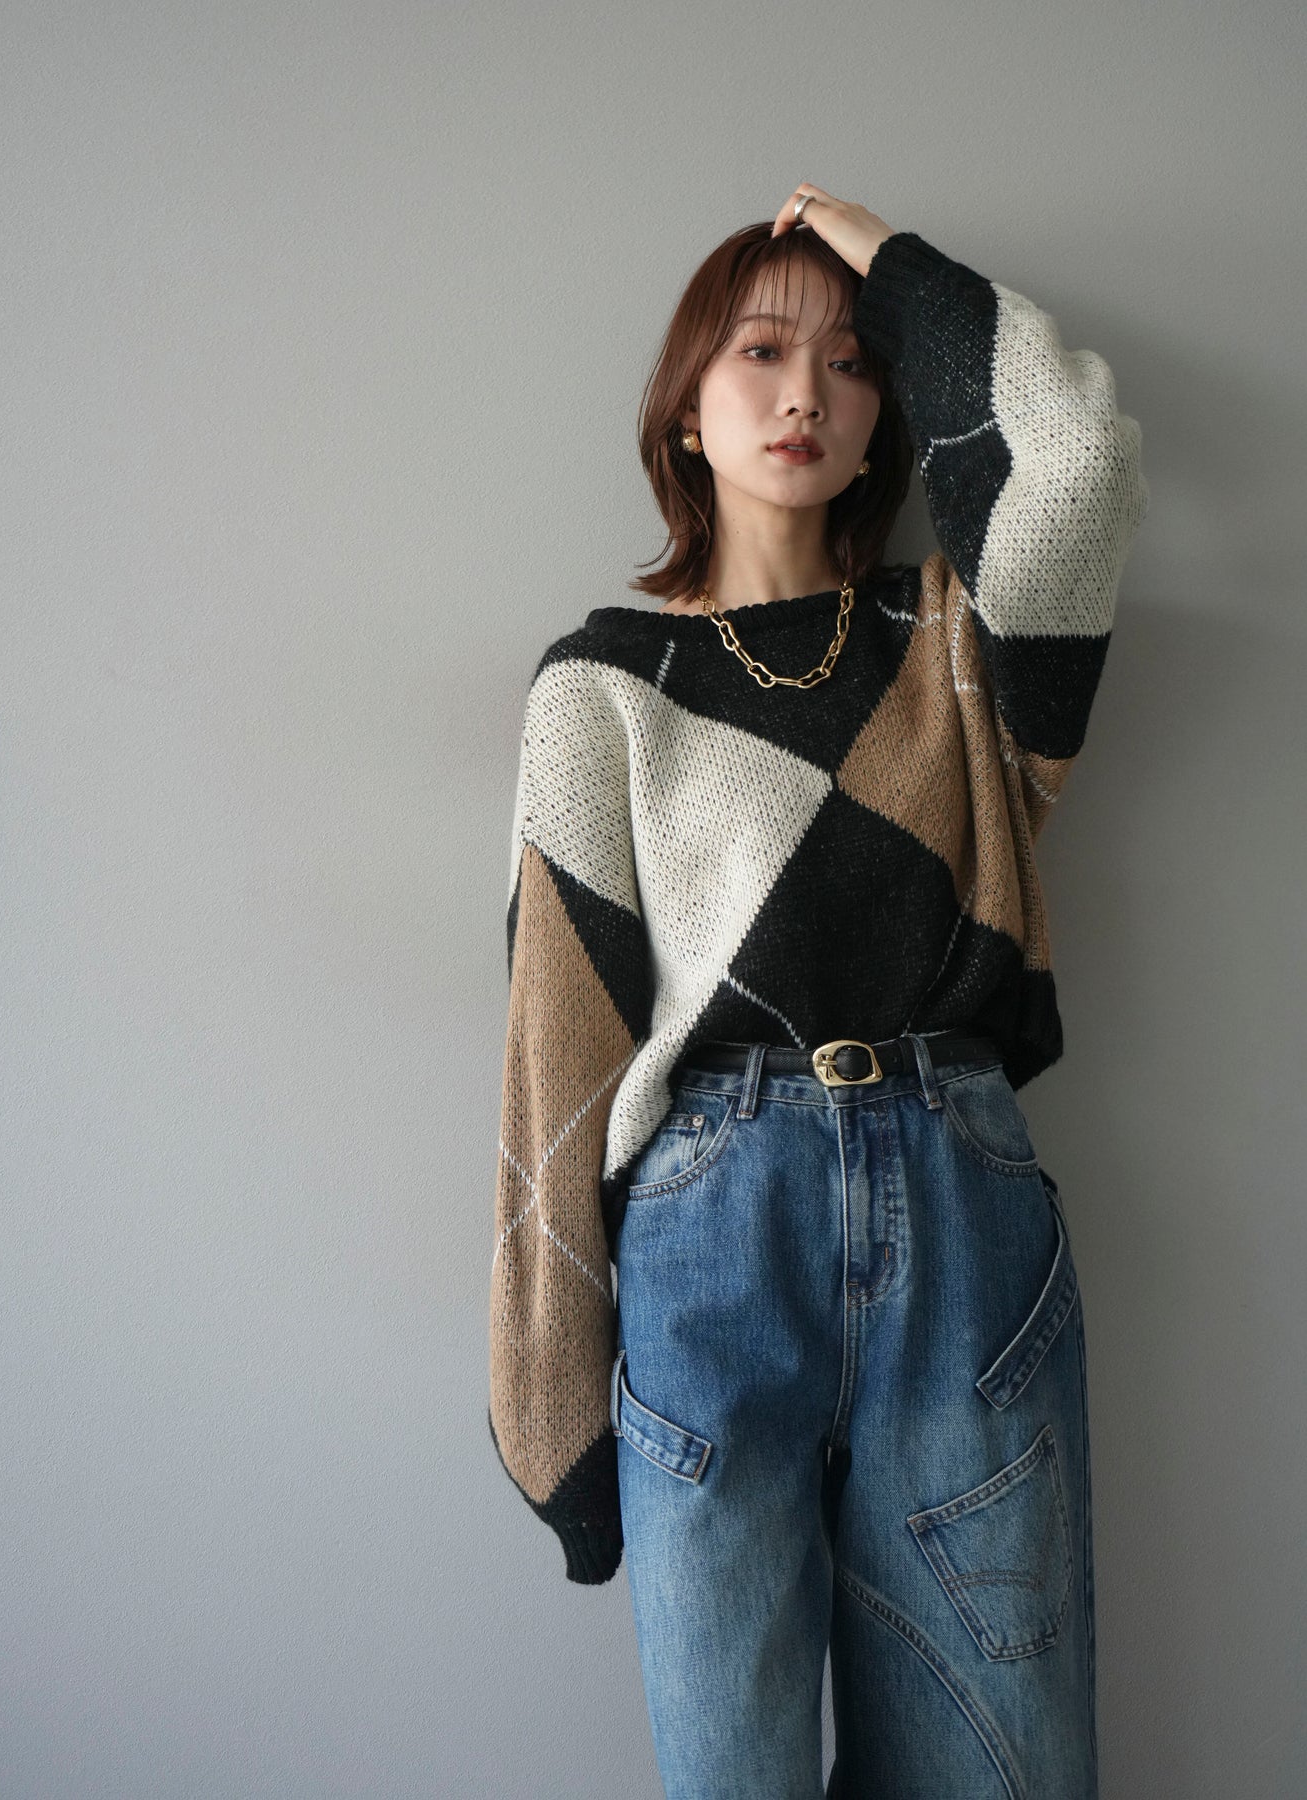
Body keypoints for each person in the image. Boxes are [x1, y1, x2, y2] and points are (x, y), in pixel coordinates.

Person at [487, 183, 1148, 1798]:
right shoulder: (600, 686)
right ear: (684, 410)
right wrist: (547, 1397)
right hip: (708, 1231)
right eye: (760, 352)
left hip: (960, 1214)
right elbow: (555, 1047)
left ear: (885, 423)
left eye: (851, 364)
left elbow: (1074, 458)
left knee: (1000, 1765)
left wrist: (882, 256)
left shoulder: (961, 644)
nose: (805, 394)